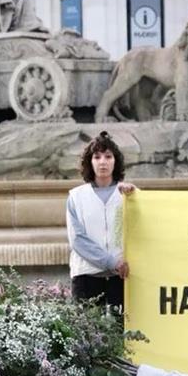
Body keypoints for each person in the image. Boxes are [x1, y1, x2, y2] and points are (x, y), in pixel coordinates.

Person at [66, 132, 135, 311]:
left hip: (122, 276)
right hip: (86, 275)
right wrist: (110, 262)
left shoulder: (129, 195)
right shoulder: (76, 196)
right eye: (97, 157)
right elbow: (77, 239)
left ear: (115, 161)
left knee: (123, 334)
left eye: (108, 156)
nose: (102, 162)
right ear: (90, 161)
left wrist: (135, 198)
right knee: (87, 335)